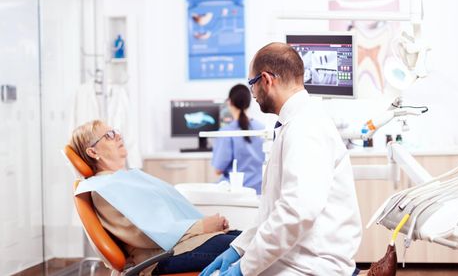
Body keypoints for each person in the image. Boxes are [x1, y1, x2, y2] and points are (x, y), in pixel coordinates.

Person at [201, 43, 363, 276]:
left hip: (311, 267)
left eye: (252, 84)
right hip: (295, 259)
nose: (253, 94)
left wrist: (244, 269)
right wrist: (238, 248)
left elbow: (296, 212)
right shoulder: (294, 124)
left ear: (266, 80)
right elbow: (273, 210)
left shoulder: (304, 128)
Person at [70, 120, 241, 275]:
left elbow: (162, 217)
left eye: (115, 131)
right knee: (250, 248)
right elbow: (147, 233)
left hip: (183, 244)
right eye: (109, 136)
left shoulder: (123, 179)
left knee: (248, 239)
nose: (118, 136)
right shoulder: (104, 190)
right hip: (162, 256)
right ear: (93, 152)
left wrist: (206, 226)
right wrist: (202, 226)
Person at [212, 84, 265, 193]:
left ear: (229, 102)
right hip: (258, 191)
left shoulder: (226, 133)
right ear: (249, 103)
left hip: (234, 192)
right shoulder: (262, 129)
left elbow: (218, 170)